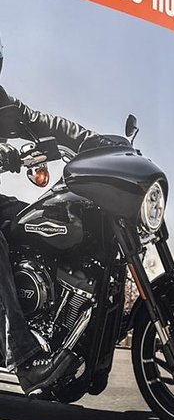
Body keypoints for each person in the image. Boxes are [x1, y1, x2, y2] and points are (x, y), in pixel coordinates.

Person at [0, 33, 102, 394]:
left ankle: (57, 337)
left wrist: (91, 141)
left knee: (32, 221)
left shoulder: (2, 103)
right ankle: (25, 358)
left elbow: (41, 122)